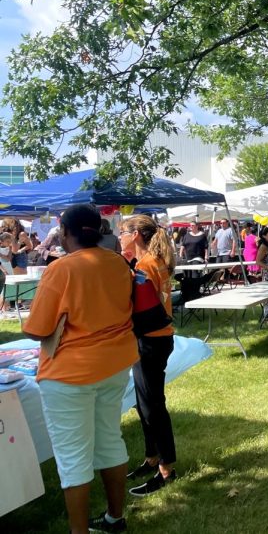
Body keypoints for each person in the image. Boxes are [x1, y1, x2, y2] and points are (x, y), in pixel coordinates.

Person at [22, 204, 137, 534]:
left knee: (73, 454)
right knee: (109, 440)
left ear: (65, 232)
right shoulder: (117, 262)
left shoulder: (62, 269)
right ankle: (115, 518)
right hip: (115, 364)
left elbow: (37, 329)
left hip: (70, 374)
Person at [119, 214, 181, 497]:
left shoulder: (145, 265)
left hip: (150, 341)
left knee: (152, 406)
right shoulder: (154, 261)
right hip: (159, 339)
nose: (119, 236)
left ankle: (166, 469)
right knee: (145, 402)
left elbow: (141, 309)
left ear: (135, 235)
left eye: (122, 231)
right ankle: (152, 458)